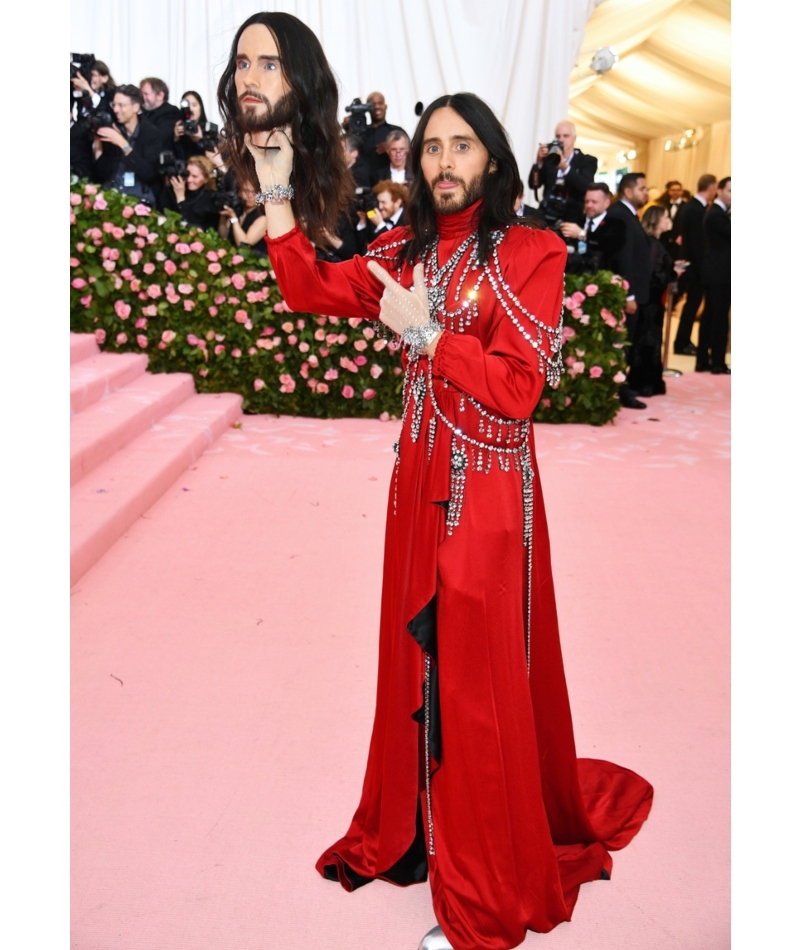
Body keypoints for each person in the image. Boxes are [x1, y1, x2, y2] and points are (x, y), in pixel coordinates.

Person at [219, 18, 653, 947]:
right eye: (430, 149)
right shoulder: (406, 253)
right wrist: (279, 187)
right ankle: (417, 828)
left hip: (492, 498)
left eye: (461, 146)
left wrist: (425, 334)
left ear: (492, 162)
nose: (444, 161)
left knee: (479, 681)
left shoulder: (533, 252)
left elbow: (518, 389)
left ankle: (487, 880)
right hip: (415, 484)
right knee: (417, 665)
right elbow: (309, 287)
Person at [606, 172, 653, 410]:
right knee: (621, 345)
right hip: (628, 294)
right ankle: (620, 391)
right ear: (628, 191)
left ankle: (623, 387)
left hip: (635, 292)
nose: (646, 193)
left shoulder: (629, 215)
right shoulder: (620, 215)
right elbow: (623, 258)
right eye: (643, 189)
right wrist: (629, 294)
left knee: (628, 344)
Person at [627, 205, 685, 397]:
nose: (669, 221)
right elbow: (652, 275)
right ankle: (644, 383)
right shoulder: (653, 244)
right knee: (647, 341)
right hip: (650, 301)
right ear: (656, 220)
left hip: (651, 301)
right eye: (666, 217)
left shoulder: (655, 243)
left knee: (648, 341)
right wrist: (672, 273)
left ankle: (646, 381)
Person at [672, 174, 717, 356]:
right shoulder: (697, 209)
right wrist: (703, 268)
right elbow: (698, 243)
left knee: (691, 304)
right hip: (695, 266)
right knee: (692, 304)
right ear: (712, 187)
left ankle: (683, 340)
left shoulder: (690, 206)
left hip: (691, 263)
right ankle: (682, 342)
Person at [92, 84, 161, 205]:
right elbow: (100, 173)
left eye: (121, 105)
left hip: (139, 199)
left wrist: (122, 143)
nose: (116, 110)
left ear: (135, 107)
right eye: (114, 105)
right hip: (111, 196)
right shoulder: (114, 129)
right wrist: (98, 144)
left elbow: (149, 173)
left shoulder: (151, 133)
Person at [527, 120, 597, 229]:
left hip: (572, 220)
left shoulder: (586, 161)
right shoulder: (550, 160)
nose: (561, 140)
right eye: (558, 136)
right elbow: (533, 185)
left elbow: (586, 186)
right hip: (547, 216)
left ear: (574, 138)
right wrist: (539, 163)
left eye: (566, 136)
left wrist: (565, 168)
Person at [698, 176, 731, 374]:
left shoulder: (718, 213)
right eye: (730, 190)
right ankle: (717, 362)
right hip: (720, 274)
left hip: (717, 273)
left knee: (711, 317)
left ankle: (705, 360)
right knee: (717, 318)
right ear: (718, 190)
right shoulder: (716, 214)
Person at [558, 182, 625, 274]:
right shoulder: (576, 221)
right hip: (574, 277)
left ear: (607, 203)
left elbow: (609, 243)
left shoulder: (616, 224)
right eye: (587, 201)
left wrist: (582, 234)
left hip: (602, 277)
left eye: (594, 202)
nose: (589, 205)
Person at [358, 91, 408, 183]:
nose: (377, 106)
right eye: (373, 104)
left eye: (380, 103)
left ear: (385, 106)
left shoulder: (397, 131)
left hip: (390, 185)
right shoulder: (360, 133)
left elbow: (410, 155)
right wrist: (348, 129)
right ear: (367, 108)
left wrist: (391, 149)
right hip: (364, 185)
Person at [164, 155, 220, 231]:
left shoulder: (210, 199)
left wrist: (181, 198)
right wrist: (168, 186)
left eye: (195, 176)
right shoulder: (184, 189)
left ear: (206, 179)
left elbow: (191, 224)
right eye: (187, 174)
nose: (189, 180)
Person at [218, 179, 267, 256]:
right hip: (233, 257)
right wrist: (223, 215)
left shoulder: (263, 217)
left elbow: (244, 245)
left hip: (254, 261)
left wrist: (234, 218)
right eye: (246, 191)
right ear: (239, 191)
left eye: (255, 193)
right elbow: (224, 235)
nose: (249, 196)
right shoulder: (238, 210)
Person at [173, 89, 216, 160]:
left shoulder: (209, 130)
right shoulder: (179, 130)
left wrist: (201, 140)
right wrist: (176, 139)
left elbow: (215, 158)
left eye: (194, 105)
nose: (190, 109)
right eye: (187, 105)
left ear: (200, 107)